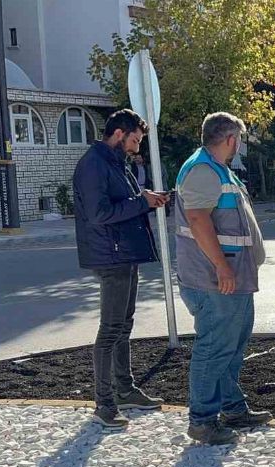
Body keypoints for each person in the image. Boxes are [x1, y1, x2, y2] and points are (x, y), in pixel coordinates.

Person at [174, 112, 270, 445]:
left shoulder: (217, 170)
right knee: (214, 347)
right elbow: (199, 220)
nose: (238, 146)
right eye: (239, 140)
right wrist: (222, 266)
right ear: (230, 139)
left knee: (231, 346)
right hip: (214, 281)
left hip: (232, 280)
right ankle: (202, 420)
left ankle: (232, 408)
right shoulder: (203, 170)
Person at [73, 109, 168, 428]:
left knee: (124, 325)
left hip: (124, 254)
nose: (136, 148)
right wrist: (143, 202)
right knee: (111, 328)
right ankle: (104, 403)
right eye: (135, 140)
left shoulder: (115, 163)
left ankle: (125, 390)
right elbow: (99, 213)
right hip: (110, 256)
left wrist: (147, 199)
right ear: (118, 134)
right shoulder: (93, 165)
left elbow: (127, 201)